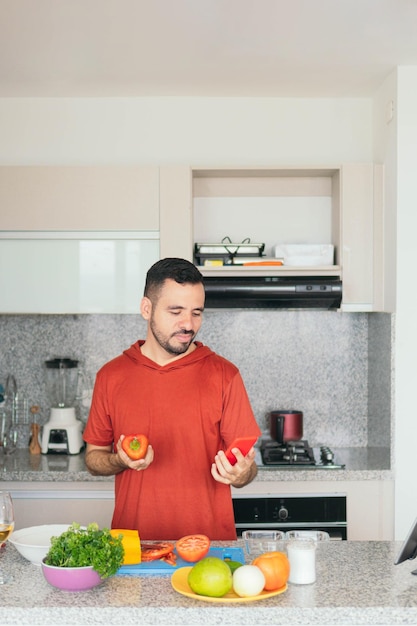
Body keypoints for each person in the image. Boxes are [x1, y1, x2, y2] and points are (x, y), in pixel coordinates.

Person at [83, 258, 261, 540]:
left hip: (209, 551)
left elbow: (247, 468)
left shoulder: (225, 375)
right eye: (175, 311)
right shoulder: (111, 376)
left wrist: (241, 473)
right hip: (134, 549)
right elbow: (93, 458)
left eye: (196, 313)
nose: (188, 324)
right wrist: (120, 460)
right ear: (146, 309)